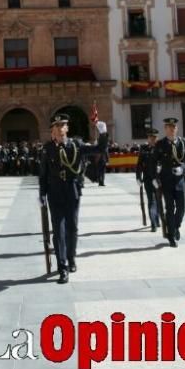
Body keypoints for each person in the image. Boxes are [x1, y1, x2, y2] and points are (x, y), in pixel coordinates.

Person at [38, 114, 109, 283]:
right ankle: (62, 267)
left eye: (63, 125)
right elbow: (43, 174)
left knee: (72, 228)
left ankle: (71, 258)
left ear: (67, 129)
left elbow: (99, 149)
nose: (60, 128)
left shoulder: (76, 145)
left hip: (72, 190)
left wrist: (104, 133)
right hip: (54, 192)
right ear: (52, 131)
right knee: (58, 231)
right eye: (56, 126)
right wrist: (42, 194)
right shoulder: (47, 149)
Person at [154, 117, 185, 247]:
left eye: (174, 127)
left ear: (177, 129)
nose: (171, 129)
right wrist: (155, 178)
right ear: (165, 129)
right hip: (166, 181)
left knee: (182, 207)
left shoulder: (182, 142)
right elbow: (154, 161)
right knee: (170, 208)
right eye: (169, 127)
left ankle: (176, 227)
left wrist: (182, 168)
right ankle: (171, 235)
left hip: (180, 180)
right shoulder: (160, 144)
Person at [135, 128, 160, 232]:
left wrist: (160, 168)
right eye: (150, 137)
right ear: (148, 138)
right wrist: (138, 177)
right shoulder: (144, 148)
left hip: (159, 180)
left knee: (158, 201)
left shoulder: (161, 148)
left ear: (156, 138)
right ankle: (153, 222)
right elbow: (139, 164)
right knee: (151, 200)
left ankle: (157, 218)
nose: (152, 139)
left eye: (154, 137)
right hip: (148, 180)